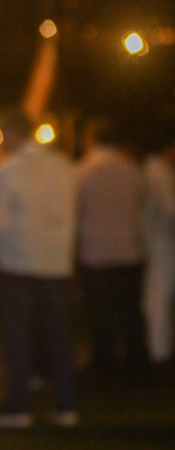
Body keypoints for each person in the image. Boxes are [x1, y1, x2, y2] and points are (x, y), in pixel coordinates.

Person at [0, 111, 78, 428]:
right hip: (55, 261)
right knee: (58, 335)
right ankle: (67, 406)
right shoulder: (64, 165)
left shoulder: (7, 169)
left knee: (18, 337)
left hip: (19, 260)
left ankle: (20, 407)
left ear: (12, 134)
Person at [77, 118, 149, 385]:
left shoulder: (83, 170)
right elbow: (142, 200)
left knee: (102, 313)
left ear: (91, 140)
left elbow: (76, 207)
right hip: (130, 249)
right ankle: (137, 364)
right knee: (131, 312)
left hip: (97, 252)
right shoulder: (131, 168)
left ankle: (105, 364)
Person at [143, 138, 175, 365]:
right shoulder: (157, 170)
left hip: (160, 243)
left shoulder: (159, 170)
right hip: (161, 244)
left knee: (159, 299)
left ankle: (161, 349)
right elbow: (170, 207)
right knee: (160, 299)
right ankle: (160, 352)